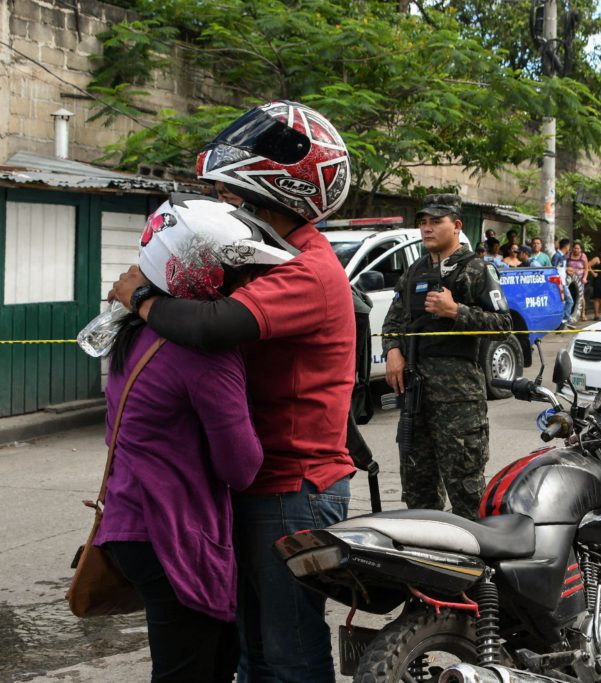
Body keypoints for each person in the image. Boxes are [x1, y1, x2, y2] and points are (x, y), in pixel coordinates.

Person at [110, 100, 355, 683]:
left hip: (290, 487)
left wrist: (141, 298)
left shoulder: (307, 271)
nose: (227, 205)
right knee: (254, 652)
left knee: (288, 653)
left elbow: (213, 326)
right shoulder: (266, 255)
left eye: (235, 198)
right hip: (257, 483)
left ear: (278, 190)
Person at [96, 197, 272, 683]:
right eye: (236, 273)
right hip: (172, 533)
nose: (248, 285)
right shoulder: (205, 354)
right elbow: (241, 466)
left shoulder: (134, 332)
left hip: (130, 522)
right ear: (199, 273)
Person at [382, 194, 512, 519]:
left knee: (467, 494)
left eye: (435, 222)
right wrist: (393, 351)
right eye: (423, 222)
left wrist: (457, 312)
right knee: (418, 495)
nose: (427, 229)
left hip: (459, 403)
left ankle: (480, 566)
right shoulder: (415, 271)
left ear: (456, 226)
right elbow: (394, 321)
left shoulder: (477, 270)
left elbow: (504, 326)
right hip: (416, 399)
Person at [551, 238, 574, 326]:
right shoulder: (557, 256)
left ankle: (564, 320)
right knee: (570, 301)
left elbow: (561, 269)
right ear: (566, 246)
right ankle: (565, 319)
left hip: (563, 282)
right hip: (559, 283)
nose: (569, 249)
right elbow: (553, 269)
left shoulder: (563, 257)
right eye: (569, 247)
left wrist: (567, 271)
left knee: (565, 301)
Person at [568, 241, 589, 322]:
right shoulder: (569, 255)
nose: (576, 250)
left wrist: (585, 278)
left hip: (580, 279)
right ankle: (570, 313)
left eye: (578, 248)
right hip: (570, 279)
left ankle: (583, 313)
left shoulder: (583, 256)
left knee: (581, 297)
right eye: (575, 248)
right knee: (570, 296)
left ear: (581, 250)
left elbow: (586, 268)